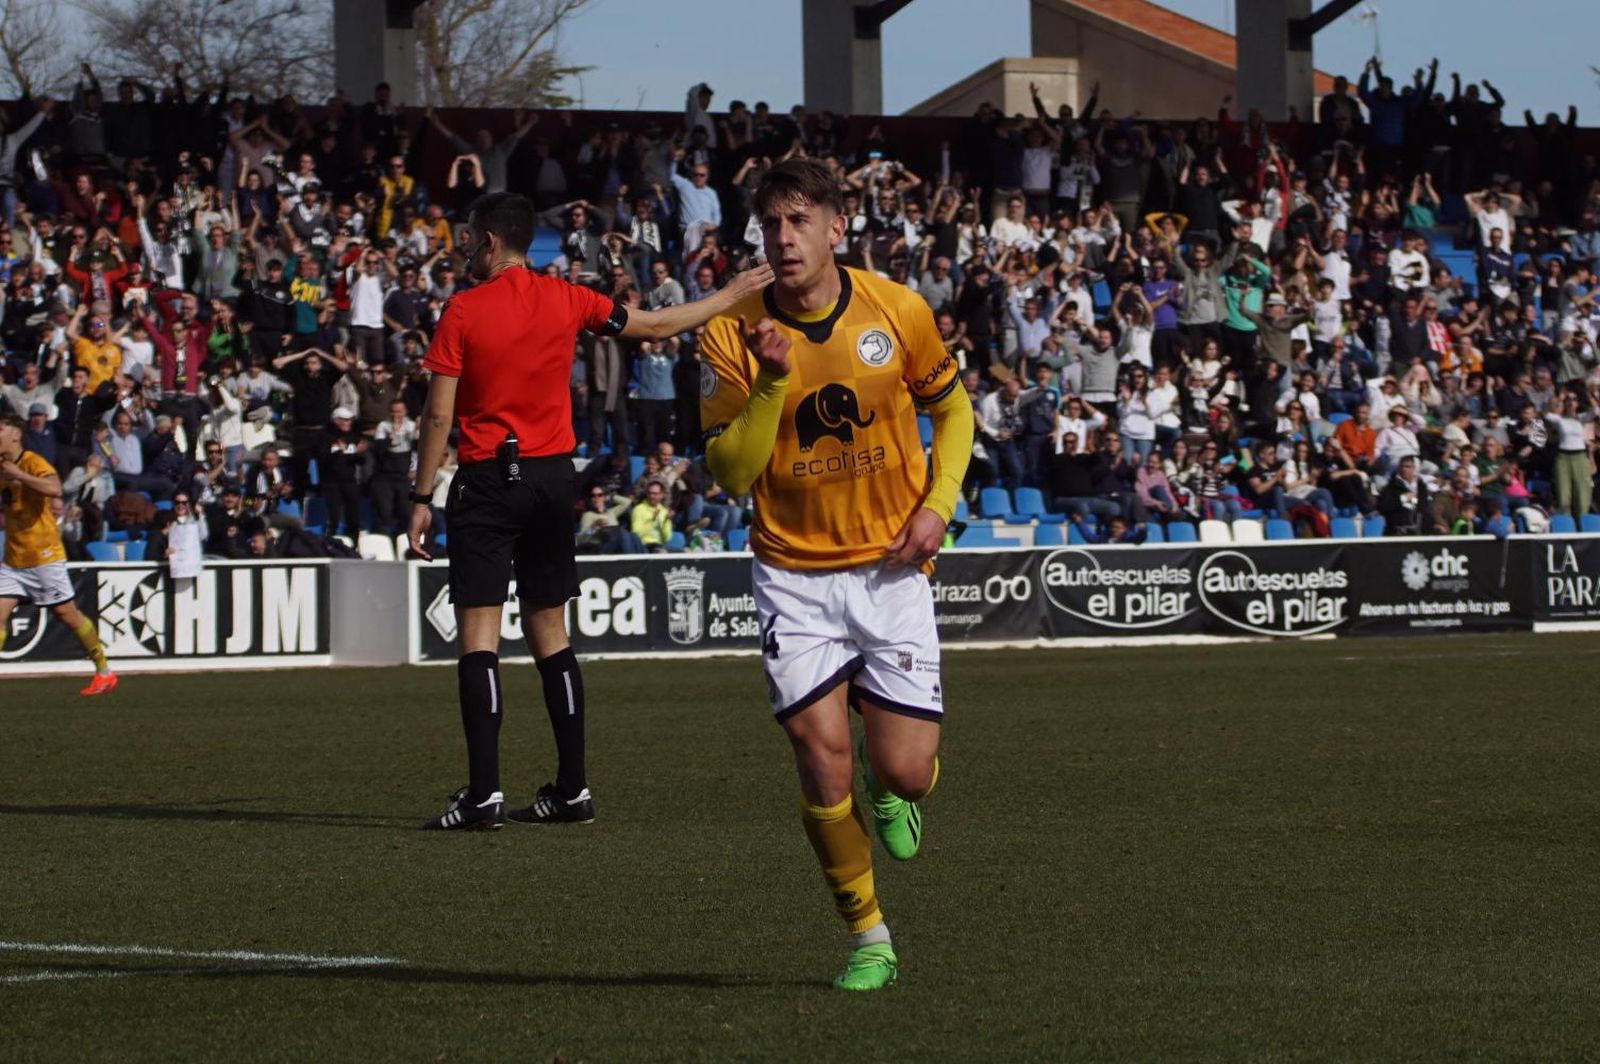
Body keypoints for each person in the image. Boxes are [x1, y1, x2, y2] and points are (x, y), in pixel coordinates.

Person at [406, 191, 771, 831]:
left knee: (479, 638)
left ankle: (483, 795)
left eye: (467, 237)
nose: (462, 248)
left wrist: (419, 496)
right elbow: (657, 327)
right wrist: (731, 293)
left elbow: (439, 413)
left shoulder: (462, 309)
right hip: (552, 480)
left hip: (489, 478)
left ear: (488, 241)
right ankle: (573, 790)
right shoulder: (567, 297)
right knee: (552, 632)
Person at [697, 159, 973, 991]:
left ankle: (899, 792)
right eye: (771, 225)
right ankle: (869, 937)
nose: (783, 239)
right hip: (794, 578)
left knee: (901, 771)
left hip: (892, 570)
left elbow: (952, 409)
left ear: (835, 227)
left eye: (799, 221)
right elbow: (731, 473)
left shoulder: (899, 309)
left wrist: (940, 504)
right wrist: (774, 377)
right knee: (822, 763)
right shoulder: (732, 330)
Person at [0, 413, 116, 694]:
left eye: (0, 428)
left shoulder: (31, 462)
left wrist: (19, 475)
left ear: (16, 435)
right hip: (13, 559)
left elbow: (54, 488)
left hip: (43, 556)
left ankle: (104, 671)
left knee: (68, 615)